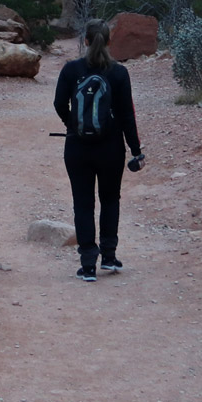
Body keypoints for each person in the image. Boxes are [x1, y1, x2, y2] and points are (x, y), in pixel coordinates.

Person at [53, 19, 144, 281]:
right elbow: (128, 115)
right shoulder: (118, 73)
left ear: (86, 41)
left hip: (77, 148)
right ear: (108, 41)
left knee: (83, 203)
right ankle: (110, 257)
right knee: (110, 200)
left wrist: (72, 124)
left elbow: (59, 103)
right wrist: (136, 150)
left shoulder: (71, 70)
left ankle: (88, 264)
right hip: (111, 148)